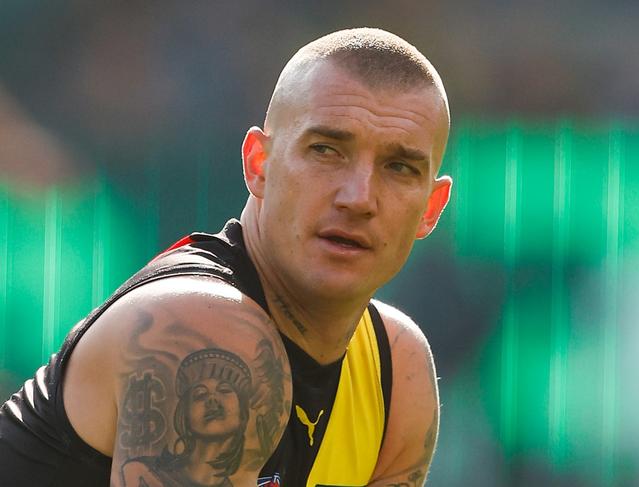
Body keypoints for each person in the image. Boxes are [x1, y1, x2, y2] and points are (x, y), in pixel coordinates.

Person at [0, 27, 452, 487]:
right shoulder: (204, 333)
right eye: (326, 150)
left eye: (399, 168)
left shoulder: (396, 372)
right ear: (258, 164)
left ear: (431, 209)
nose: (358, 198)